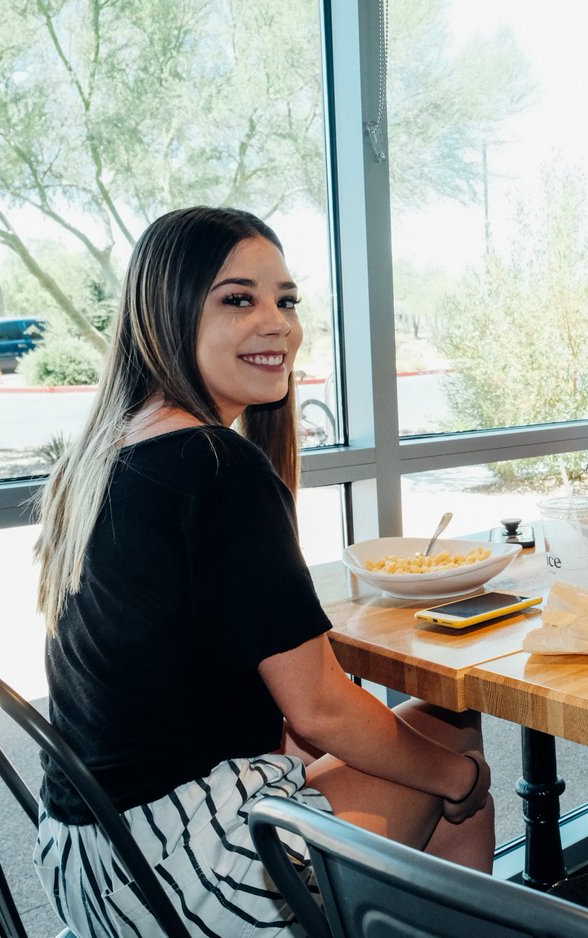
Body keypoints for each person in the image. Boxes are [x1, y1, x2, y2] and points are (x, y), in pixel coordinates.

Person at [32, 206, 494, 937]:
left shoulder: (107, 454)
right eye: (238, 299)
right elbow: (320, 709)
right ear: (167, 313)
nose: (277, 322)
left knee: (445, 723)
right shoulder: (214, 466)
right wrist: (462, 782)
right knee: (458, 765)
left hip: (85, 861)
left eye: (286, 300)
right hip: (186, 878)